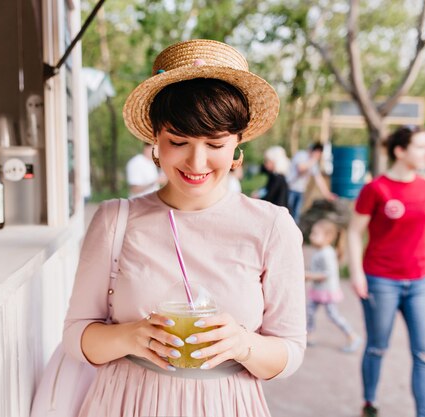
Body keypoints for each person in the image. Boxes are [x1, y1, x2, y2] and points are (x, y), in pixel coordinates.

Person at [63, 39, 306, 417]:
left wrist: (242, 344)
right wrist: (130, 335)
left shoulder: (272, 227)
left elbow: (289, 351)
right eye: (179, 141)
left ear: (237, 145)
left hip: (227, 404)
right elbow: (77, 338)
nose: (197, 161)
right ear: (155, 140)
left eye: (215, 143)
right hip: (126, 402)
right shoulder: (115, 221)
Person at [347, 126, 425, 417]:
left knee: (423, 353)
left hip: (419, 281)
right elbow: (354, 232)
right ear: (400, 151)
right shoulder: (376, 189)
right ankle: (369, 403)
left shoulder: (424, 186)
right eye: (420, 147)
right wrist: (356, 273)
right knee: (378, 347)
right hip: (381, 280)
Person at [306, 218, 361, 352]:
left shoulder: (327, 253)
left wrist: (308, 275)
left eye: (315, 234)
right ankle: (309, 335)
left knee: (333, 315)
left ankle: (352, 336)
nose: (311, 236)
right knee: (310, 311)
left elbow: (327, 274)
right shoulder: (318, 250)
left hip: (327, 291)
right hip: (318, 290)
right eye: (312, 233)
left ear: (328, 237)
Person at [287, 142, 336, 223]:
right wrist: (313, 160)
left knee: (296, 216)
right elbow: (301, 169)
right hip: (290, 189)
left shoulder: (313, 162)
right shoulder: (301, 155)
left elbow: (319, 179)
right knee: (287, 213)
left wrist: (327, 194)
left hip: (300, 191)